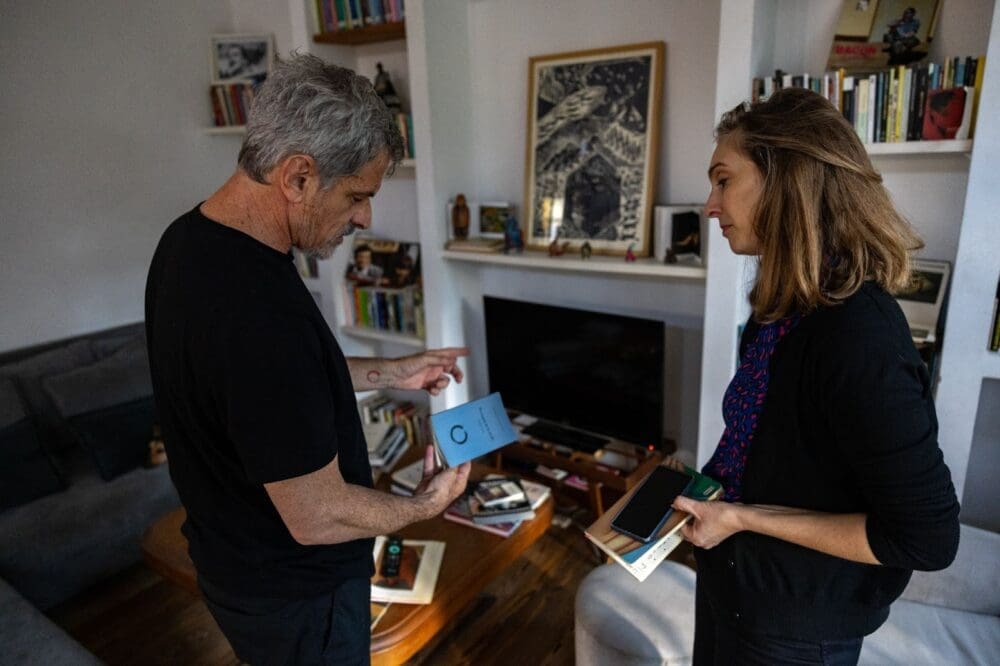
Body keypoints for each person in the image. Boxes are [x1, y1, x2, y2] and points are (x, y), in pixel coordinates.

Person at [145, 54, 471, 665]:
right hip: (296, 597)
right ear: (297, 177)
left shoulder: (187, 241)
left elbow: (271, 390)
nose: (365, 216)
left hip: (234, 563)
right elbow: (317, 516)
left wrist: (393, 371)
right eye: (357, 195)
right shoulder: (257, 310)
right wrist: (423, 507)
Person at [672, 87, 960, 665]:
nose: (710, 206)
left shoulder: (859, 336)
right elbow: (775, 452)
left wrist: (740, 517)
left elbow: (927, 539)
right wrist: (705, 492)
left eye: (724, 181)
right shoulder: (781, 308)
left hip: (793, 632)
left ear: (789, 179)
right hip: (733, 586)